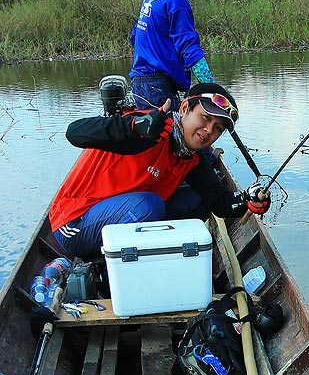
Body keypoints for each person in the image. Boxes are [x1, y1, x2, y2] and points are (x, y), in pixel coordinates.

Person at [49, 83, 269, 261]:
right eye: (205, 117)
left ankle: (163, 258)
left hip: (125, 214)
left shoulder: (190, 157)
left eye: (218, 127)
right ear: (184, 109)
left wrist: (247, 201)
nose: (209, 131)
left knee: (197, 201)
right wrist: (133, 127)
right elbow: (74, 133)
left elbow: (220, 202)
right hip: (75, 225)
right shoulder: (147, 128)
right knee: (148, 205)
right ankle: (114, 274)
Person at [129, 0, 216, 112]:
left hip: (140, 83)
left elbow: (134, 37)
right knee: (173, 137)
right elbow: (190, 48)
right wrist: (213, 91)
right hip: (156, 85)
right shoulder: (177, 1)